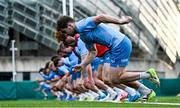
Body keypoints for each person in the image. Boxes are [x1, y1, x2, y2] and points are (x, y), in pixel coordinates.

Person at [56, 14, 160, 101]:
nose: (66, 35)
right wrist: (82, 65)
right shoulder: (83, 36)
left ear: (69, 25)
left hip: (119, 44)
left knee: (115, 78)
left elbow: (100, 17)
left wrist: (120, 21)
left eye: (64, 32)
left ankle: (147, 75)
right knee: (111, 80)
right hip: (114, 47)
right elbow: (93, 52)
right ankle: (146, 91)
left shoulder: (82, 25)